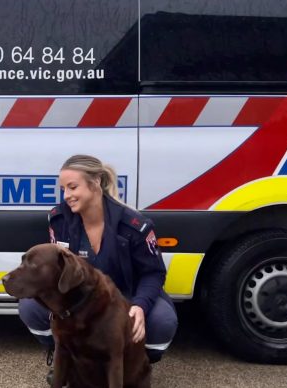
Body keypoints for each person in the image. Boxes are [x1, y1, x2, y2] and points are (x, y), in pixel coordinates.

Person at [18, 154, 178, 368]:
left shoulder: (134, 225)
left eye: (73, 187)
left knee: (162, 321)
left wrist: (139, 306)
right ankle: (65, 356)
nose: (66, 195)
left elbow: (153, 273)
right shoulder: (59, 220)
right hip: (78, 298)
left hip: (124, 296)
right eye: (63, 189)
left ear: (95, 183)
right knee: (31, 307)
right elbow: (58, 269)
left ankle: (135, 366)